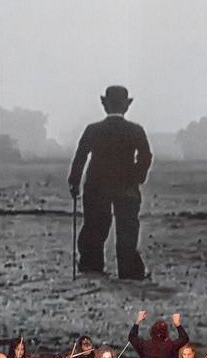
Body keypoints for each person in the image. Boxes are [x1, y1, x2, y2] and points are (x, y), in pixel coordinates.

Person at [68, 85, 153, 280]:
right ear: (127, 106)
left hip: (96, 186)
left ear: (105, 104)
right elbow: (146, 156)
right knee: (127, 230)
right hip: (127, 187)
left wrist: (74, 182)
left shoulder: (93, 130)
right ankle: (129, 270)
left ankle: (91, 266)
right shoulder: (135, 130)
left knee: (94, 227)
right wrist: (137, 177)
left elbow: (80, 157)